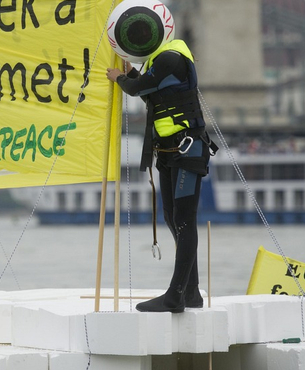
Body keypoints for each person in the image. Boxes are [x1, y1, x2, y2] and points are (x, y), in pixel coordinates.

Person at [105, 0, 217, 313]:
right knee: (171, 217)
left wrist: (119, 77)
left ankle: (175, 297)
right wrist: (134, 73)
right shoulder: (159, 62)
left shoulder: (170, 57)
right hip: (167, 153)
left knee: (184, 222)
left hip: (187, 150)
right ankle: (191, 292)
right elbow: (152, 89)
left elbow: (139, 88)